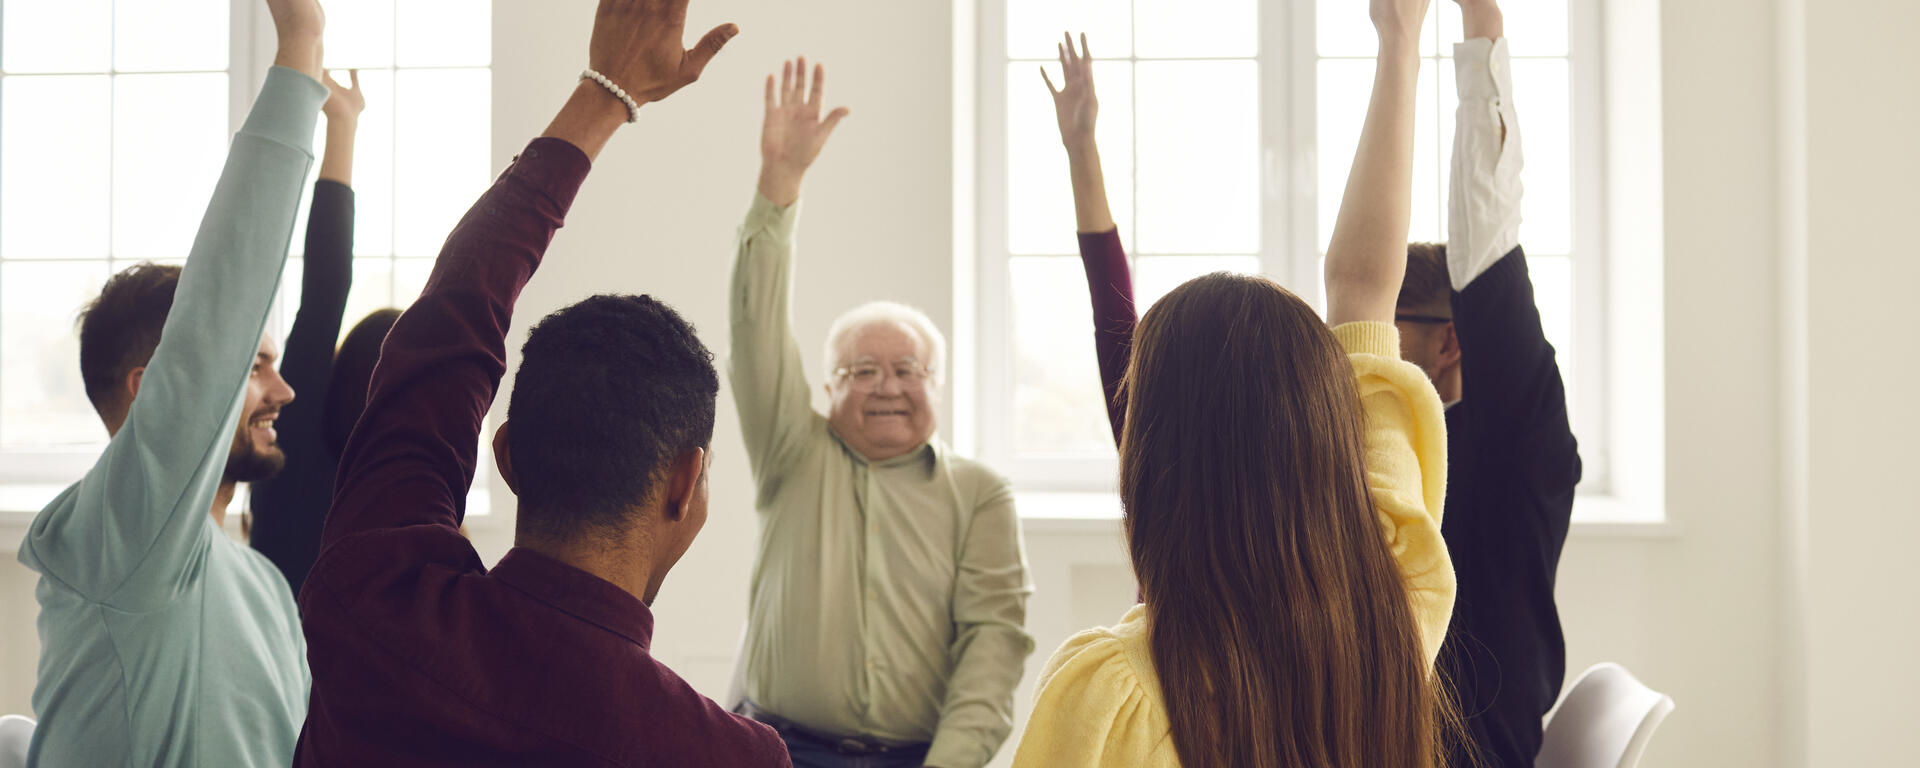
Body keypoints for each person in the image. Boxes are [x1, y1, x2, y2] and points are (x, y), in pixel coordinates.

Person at [291, 1, 787, 765]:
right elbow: (450, 321)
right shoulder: (726, 755)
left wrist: (604, 94)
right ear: (686, 481)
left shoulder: (375, 599)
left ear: (509, 456)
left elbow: (452, 316)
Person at [1012, 0, 1456, 762]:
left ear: (1152, 460)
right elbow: (1362, 296)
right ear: (1325, 434)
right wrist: (1401, 44)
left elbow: (1358, 295)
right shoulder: (1398, 616)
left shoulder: (1117, 692)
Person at [14, 1, 330, 764]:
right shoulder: (120, 537)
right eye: (252, 368)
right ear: (152, 388)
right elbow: (217, 313)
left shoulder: (262, 586)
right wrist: (301, 49)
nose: (282, 392)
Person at [729, 58, 1035, 768]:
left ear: (939, 385)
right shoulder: (790, 452)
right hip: (778, 749)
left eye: (907, 369)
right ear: (827, 391)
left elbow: (993, 647)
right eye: (861, 370)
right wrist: (780, 188)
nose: (886, 386)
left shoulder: (980, 495)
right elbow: (755, 330)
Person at [1400, 0, 1582, 764]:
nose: (1366, 348)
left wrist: (1480, 30)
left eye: (1390, 324)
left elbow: (1486, 253)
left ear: (1451, 342)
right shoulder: (1401, 458)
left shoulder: (1517, 441)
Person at [248, 68, 376, 595]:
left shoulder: (290, 445)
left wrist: (342, 126)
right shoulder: (405, 487)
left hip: (273, 662)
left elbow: (326, 287)